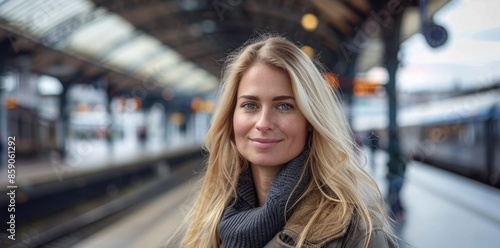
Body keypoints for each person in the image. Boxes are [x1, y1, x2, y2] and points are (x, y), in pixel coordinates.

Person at [168, 35, 399, 248]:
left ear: (310, 119)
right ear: (230, 116)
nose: (263, 123)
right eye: (250, 105)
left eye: (284, 106)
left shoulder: (357, 234)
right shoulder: (209, 219)